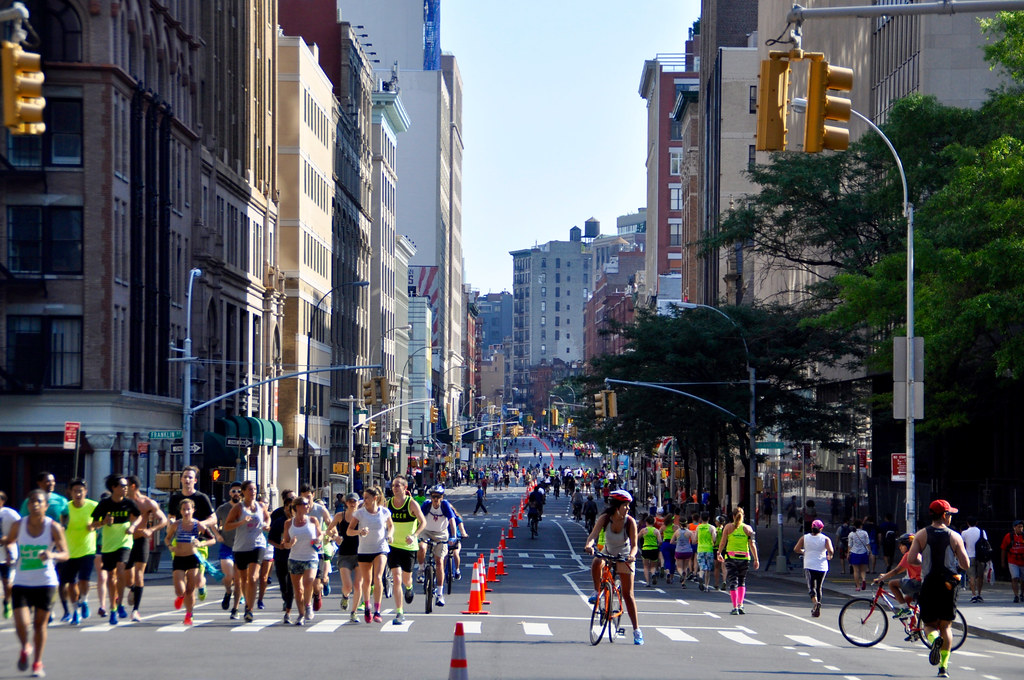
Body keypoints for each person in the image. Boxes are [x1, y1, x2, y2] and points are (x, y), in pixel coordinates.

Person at [5, 489, 69, 678]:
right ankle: (25, 646)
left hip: (46, 582)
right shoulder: (19, 525)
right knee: (22, 623)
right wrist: (10, 551)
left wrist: (52, 554)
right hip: (22, 581)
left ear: (46, 506)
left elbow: (66, 554)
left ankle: (37, 663)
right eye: (31, 501)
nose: (34, 504)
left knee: (40, 625)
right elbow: (10, 541)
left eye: (38, 501)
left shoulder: (53, 527)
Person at [906, 499, 970, 678]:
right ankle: (943, 667)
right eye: (949, 514)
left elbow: (911, 559)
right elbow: (965, 564)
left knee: (928, 624)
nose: (950, 518)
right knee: (946, 626)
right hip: (949, 584)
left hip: (929, 583)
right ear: (944, 515)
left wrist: (924, 561)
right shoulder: (954, 536)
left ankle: (934, 640)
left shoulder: (921, 534)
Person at [583, 489, 643, 645]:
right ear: (617, 506)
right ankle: (598, 591)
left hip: (624, 555)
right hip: (608, 551)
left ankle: (637, 630)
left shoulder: (630, 522)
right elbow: (593, 536)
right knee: (597, 561)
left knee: (628, 595)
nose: (628, 508)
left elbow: (635, 546)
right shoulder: (605, 518)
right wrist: (589, 545)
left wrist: (631, 556)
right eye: (625, 505)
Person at [89, 475, 141, 625]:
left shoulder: (129, 503)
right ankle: (113, 608)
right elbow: (93, 525)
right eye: (122, 486)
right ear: (113, 487)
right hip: (108, 544)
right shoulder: (105, 504)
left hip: (125, 542)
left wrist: (132, 526)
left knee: (120, 569)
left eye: (126, 485)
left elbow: (138, 517)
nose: (125, 488)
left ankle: (120, 604)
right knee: (111, 576)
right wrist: (103, 522)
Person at [167, 466, 217, 603]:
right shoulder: (175, 497)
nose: (187, 480)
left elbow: (214, 519)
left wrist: (200, 524)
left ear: (195, 480)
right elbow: (171, 516)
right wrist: (170, 522)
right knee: (181, 576)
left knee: (197, 579)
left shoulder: (201, 498)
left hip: (197, 542)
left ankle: (201, 586)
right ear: (181, 479)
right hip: (180, 542)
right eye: (185, 477)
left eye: (190, 477)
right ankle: (182, 595)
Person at [222, 480, 269, 623]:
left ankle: (249, 609)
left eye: (254, 489)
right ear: (243, 491)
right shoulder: (238, 508)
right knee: (243, 579)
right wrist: (242, 522)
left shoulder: (261, 506)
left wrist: (267, 525)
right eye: (249, 489)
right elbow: (227, 526)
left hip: (258, 544)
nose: (253, 492)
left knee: (254, 577)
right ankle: (246, 604)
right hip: (241, 547)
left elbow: (267, 518)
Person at [124, 475, 167, 622]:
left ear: (133, 487)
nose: (123, 489)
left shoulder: (147, 503)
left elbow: (164, 520)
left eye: (126, 486)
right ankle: (133, 589)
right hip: (125, 541)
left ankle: (135, 610)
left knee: (139, 574)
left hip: (141, 540)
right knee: (126, 576)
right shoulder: (122, 502)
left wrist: (151, 530)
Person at [165, 498, 215, 626]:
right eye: (184, 509)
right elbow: (167, 539)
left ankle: (189, 615)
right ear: (180, 511)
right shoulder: (176, 524)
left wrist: (201, 543)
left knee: (190, 589)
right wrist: (171, 547)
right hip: (179, 558)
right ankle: (180, 597)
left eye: (188, 509)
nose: (186, 512)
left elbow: (212, 540)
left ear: (193, 510)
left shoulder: (198, 525)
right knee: (180, 590)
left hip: (193, 558)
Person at [347, 486, 392, 623]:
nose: (364, 500)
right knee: (367, 581)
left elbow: (391, 526)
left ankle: (377, 610)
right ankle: (367, 606)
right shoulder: (359, 513)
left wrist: (390, 535)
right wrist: (359, 532)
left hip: (380, 548)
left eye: (367, 498)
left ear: (375, 499)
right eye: (364, 497)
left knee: (378, 577)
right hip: (364, 550)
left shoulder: (384, 512)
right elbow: (349, 531)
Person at [385, 477, 426, 623]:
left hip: (409, 547)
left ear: (405, 487)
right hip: (393, 546)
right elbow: (382, 520)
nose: (395, 488)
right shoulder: (388, 504)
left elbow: (423, 522)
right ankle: (399, 612)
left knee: (406, 579)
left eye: (398, 485)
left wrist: (414, 535)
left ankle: (409, 587)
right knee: (396, 577)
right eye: (393, 485)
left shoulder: (411, 503)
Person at [59, 479, 97, 625]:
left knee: (84, 580)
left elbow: (101, 522)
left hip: (87, 549)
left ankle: (85, 601)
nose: (78, 493)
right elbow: (60, 525)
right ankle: (75, 611)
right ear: (70, 493)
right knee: (70, 584)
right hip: (69, 551)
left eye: (81, 490)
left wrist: (94, 525)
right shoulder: (65, 508)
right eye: (75, 491)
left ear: (85, 492)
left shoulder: (93, 506)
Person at [283, 494, 321, 626]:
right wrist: (290, 544)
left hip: (311, 557)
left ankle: (308, 605)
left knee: (309, 581)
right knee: (298, 589)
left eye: (308, 504)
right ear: (297, 507)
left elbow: (320, 534)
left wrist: (319, 539)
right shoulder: (289, 523)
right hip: (294, 558)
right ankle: (300, 614)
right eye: (305, 504)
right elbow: (285, 543)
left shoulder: (313, 520)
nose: (307, 506)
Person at [418, 485, 456, 608]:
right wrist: (414, 533)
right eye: (433, 496)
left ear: (442, 497)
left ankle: (440, 594)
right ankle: (421, 569)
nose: (435, 499)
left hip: (441, 534)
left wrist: (453, 536)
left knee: (439, 562)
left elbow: (452, 521)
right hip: (426, 531)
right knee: (422, 547)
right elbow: (418, 518)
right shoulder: (426, 505)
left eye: (438, 497)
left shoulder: (445, 505)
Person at [716, 506, 759, 615]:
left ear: (733, 516)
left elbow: (722, 542)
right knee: (742, 581)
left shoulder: (728, 527)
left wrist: (719, 553)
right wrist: (756, 559)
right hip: (744, 557)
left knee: (733, 582)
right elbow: (752, 544)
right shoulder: (748, 529)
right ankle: (741, 605)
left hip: (731, 557)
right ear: (743, 516)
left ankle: (735, 607)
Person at [298, 484, 332, 613]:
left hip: (317, 549)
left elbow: (330, 524)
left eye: (308, 496)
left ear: (313, 495)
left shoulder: (320, 509)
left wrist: (331, 534)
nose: (306, 500)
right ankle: (305, 607)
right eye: (303, 497)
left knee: (315, 584)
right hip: (301, 550)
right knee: (303, 582)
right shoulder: (297, 509)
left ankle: (317, 593)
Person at [872, 532, 921, 619]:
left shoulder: (908, 555)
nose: (899, 547)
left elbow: (896, 571)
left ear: (907, 545)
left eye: (901, 545)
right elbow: (900, 569)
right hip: (921, 584)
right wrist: (885, 575)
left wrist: (881, 579)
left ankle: (906, 611)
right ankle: (914, 628)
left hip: (916, 584)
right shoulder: (917, 554)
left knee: (892, 583)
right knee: (905, 603)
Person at [793, 519, 834, 617]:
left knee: (811, 587)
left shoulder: (805, 538)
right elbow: (831, 551)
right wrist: (829, 556)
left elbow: (796, 549)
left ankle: (815, 603)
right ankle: (818, 606)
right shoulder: (825, 539)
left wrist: (804, 551)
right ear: (822, 528)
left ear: (811, 527)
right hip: (822, 566)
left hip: (809, 565)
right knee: (819, 587)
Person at [267, 491, 295, 624]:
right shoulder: (279, 520)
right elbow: (270, 539)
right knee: (282, 581)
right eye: (289, 507)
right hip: (280, 555)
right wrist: (279, 546)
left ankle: (288, 607)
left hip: (295, 557)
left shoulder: (299, 521)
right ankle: (285, 597)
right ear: (285, 508)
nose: (291, 511)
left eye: (293, 508)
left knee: (291, 584)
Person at [214, 481, 242, 613]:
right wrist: (217, 535)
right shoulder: (223, 508)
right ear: (229, 493)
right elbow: (212, 522)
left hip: (242, 546)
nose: (236, 493)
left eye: (238, 491)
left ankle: (235, 608)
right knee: (228, 575)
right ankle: (227, 591)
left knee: (238, 579)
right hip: (227, 545)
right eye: (233, 491)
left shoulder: (245, 508)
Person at [0, 491, 21, 620]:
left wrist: (9, 539)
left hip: (7, 553)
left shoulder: (10, 514)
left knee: (7, 583)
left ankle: (7, 601)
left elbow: (22, 527)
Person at [960, 516, 987, 603]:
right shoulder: (982, 532)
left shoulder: (964, 533)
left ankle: (973, 594)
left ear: (967, 523)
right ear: (976, 523)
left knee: (971, 576)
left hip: (969, 556)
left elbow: (961, 544)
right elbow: (986, 542)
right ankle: (979, 594)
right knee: (980, 576)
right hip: (980, 556)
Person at [1000, 519, 1024, 603]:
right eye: (1019, 527)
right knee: (1015, 578)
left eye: (1021, 527)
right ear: (1014, 528)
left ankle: (1022, 594)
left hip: (1022, 561)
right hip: (1013, 560)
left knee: (1023, 579)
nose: (1021, 529)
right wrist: (1003, 562)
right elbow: (1003, 549)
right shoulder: (1009, 536)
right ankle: (1016, 595)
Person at [694, 512, 717, 592]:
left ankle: (700, 576)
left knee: (702, 567)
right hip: (709, 549)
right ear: (709, 518)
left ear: (701, 518)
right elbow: (714, 539)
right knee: (708, 569)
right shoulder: (711, 527)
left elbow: (695, 538)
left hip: (700, 549)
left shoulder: (698, 527)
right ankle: (707, 586)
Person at [847, 519, 871, 590]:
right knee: (863, 570)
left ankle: (858, 586)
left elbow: (850, 545)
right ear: (861, 525)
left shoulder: (851, 534)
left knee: (856, 570)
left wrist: (848, 553)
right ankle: (863, 579)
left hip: (854, 553)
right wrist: (869, 551)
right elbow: (867, 543)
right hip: (863, 552)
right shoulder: (865, 533)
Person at [639, 515, 662, 587]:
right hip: (654, 549)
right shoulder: (656, 531)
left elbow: (637, 537)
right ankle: (653, 574)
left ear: (646, 522)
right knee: (653, 566)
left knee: (646, 566)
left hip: (646, 549)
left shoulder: (644, 530)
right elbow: (660, 541)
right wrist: (658, 545)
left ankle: (648, 582)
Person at [672, 515, 693, 588]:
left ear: (679, 524)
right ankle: (683, 583)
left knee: (679, 567)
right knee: (685, 567)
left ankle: (681, 574)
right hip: (688, 550)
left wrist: (677, 542)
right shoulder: (689, 532)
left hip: (679, 551)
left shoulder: (677, 532)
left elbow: (671, 542)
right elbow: (693, 542)